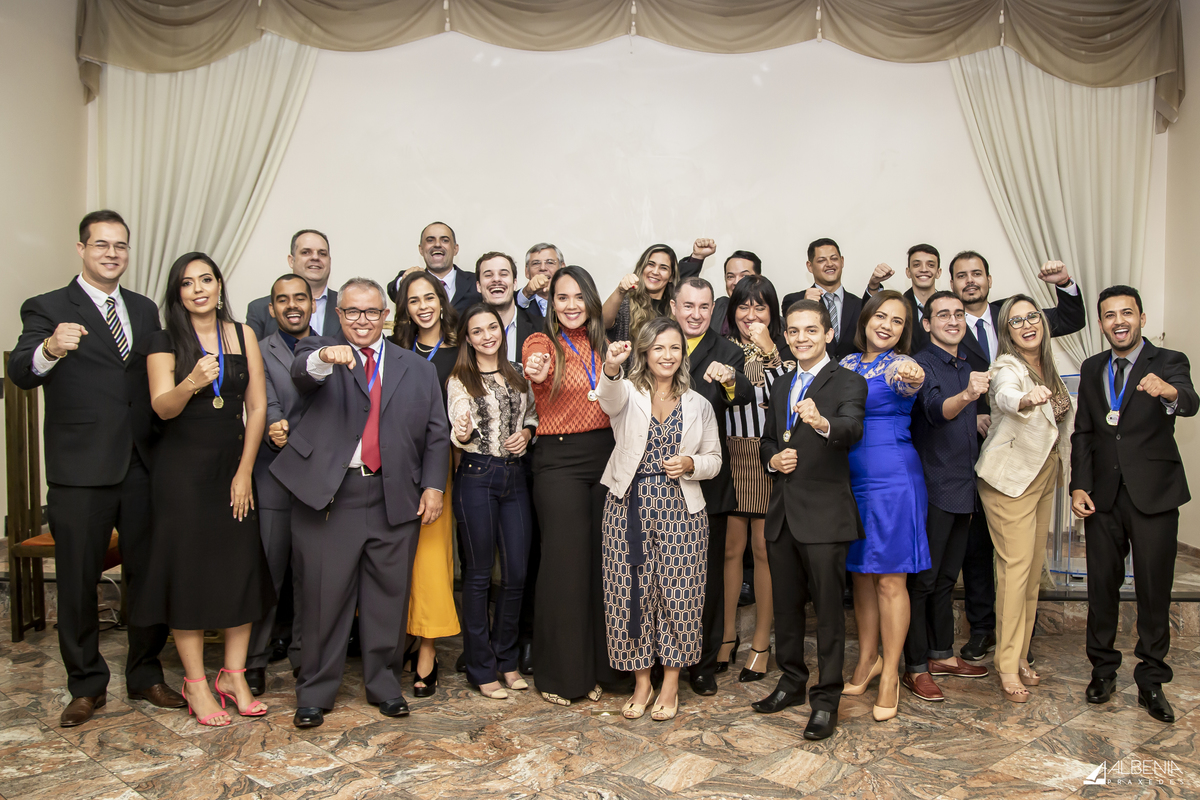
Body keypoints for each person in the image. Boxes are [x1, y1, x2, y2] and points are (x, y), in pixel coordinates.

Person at [8, 210, 184, 727]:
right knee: (78, 580)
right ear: (82, 249)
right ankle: (86, 685)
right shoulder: (47, 307)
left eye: (120, 245)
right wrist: (49, 348)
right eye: (101, 244)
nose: (112, 253)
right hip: (80, 468)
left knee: (148, 575)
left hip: (142, 463)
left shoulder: (144, 308)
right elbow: (20, 372)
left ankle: (145, 673)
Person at [270, 277, 450, 728]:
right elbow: (304, 371)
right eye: (351, 311)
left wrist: (433, 486)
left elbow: (436, 433)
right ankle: (314, 692)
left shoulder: (418, 368)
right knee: (323, 598)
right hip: (331, 497)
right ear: (338, 314)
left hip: (395, 496)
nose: (361, 320)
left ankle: (385, 685)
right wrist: (325, 357)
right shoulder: (320, 350)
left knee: (388, 599)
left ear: (386, 316)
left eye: (371, 312)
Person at [139, 252, 275, 728]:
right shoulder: (162, 340)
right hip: (181, 475)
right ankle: (196, 683)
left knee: (240, 568)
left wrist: (245, 471)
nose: (198, 289)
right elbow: (162, 408)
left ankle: (233, 676)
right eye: (187, 283)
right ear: (177, 293)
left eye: (206, 280)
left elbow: (258, 407)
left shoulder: (243, 334)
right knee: (189, 574)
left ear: (219, 285)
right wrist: (192, 382)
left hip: (232, 468)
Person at [949, 252, 1086, 662]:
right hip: (983, 455)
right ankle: (987, 634)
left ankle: (1020, 645)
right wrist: (1011, 403)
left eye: (977, 273)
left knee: (1025, 565)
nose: (970, 281)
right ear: (952, 283)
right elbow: (1005, 390)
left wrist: (1065, 285)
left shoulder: (1016, 318)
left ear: (989, 280)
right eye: (961, 275)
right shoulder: (953, 324)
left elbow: (1072, 317)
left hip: (1035, 463)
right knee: (982, 551)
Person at [1071, 285, 1197, 723]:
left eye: (1127, 313)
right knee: (1100, 589)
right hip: (1102, 497)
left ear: (1141, 318)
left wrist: (1168, 392)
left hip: (1154, 494)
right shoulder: (1092, 368)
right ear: (1101, 323)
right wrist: (1079, 486)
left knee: (1153, 590)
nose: (1118, 321)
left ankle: (1152, 680)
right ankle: (1102, 671)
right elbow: (1084, 432)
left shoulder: (1170, 361)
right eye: (1109, 315)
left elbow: (1190, 401)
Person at [597, 318, 722, 721]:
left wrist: (690, 463)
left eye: (675, 348)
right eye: (658, 348)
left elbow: (715, 460)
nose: (667, 356)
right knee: (629, 594)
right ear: (645, 353)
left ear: (683, 354)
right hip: (628, 507)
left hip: (682, 510)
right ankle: (641, 682)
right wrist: (611, 367)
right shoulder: (627, 392)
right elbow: (607, 398)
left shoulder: (699, 404)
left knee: (680, 595)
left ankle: (670, 683)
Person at [754, 299, 867, 742]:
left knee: (828, 614)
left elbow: (852, 430)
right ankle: (791, 681)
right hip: (783, 514)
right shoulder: (782, 383)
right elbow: (768, 439)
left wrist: (821, 422)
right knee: (786, 607)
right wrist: (772, 460)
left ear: (827, 334)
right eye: (794, 331)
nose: (802, 338)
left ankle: (826, 699)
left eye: (811, 330)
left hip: (824, 516)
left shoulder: (849, 380)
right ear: (786, 336)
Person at [521, 265, 621, 706]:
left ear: (592, 301)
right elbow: (535, 365)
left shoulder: (604, 345)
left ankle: (597, 670)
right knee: (565, 567)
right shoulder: (542, 342)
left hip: (606, 458)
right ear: (551, 303)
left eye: (579, 296)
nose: (572, 305)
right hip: (558, 462)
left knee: (601, 566)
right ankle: (560, 675)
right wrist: (537, 369)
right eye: (562, 297)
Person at [975, 294, 1074, 704]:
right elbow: (1004, 394)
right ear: (1007, 332)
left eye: (1032, 316)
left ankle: (1019, 655)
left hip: (1044, 474)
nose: (1027, 324)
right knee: (1014, 573)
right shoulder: (1008, 366)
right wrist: (1023, 400)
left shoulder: (1048, 365)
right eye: (1016, 321)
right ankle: (1006, 665)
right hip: (1009, 481)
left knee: (1032, 573)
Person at [839, 290, 930, 722]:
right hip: (849, 481)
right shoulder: (846, 363)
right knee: (861, 575)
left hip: (893, 480)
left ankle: (891, 672)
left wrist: (913, 374)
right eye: (880, 316)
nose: (887, 325)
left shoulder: (900, 365)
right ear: (865, 319)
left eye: (897, 321)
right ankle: (867, 658)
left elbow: (910, 379)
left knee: (891, 580)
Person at [447, 304, 537, 700]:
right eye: (478, 331)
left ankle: (507, 659)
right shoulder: (460, 379)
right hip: (476, 477)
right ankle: (481, 667)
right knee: (479, 575)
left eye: (492, 327)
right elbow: (458, 428)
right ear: (468, 339)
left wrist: (527, 434)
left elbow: (533, 415)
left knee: (516, 573)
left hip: (515, 478)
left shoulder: (517, 372)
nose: (487, 336)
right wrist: (463, 429)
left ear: (502, 330)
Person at [904, 292, 990, 702]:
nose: (953, 320)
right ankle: (915, 666)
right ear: (927, 323)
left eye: (958, 314)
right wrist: (970, 396)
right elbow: (937, 410)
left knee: (945, 580)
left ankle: (942, 655)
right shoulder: (920, 364)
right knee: (922, 581)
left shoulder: (966, 364)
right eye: (943, 314)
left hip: (963, 486)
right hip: (933, 486)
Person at [670, 277, 753, 696]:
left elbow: (743, 396)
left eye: (704, 307)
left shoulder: (726, 350)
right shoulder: (658, 342)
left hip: (707, 480)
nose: (696, 314)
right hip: (657, 478)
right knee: (663, 577)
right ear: (673, 307)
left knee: (706, 579)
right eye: (688, 305)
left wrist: (730, 380)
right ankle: (661, 658)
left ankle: (702, 664)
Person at [392, 271, 461, 697]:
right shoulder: (393, 350)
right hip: (396, 467)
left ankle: (428, 649)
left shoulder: (459, 351)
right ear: (405, 308)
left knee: (432, 561)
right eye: (414, 300)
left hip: (440, 467)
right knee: (396, 558)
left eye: (429, 297)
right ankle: (401, 634)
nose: (423, 306)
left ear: (441, 300)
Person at [720, 275, 792, 682]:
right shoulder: (721, 348)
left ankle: (761, 643)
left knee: (764, 551)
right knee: (731, 549)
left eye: (759, 306)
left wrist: (770, 351)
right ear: (733, 311)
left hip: (766, 456)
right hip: (730, 455)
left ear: (771, 312)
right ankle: (726, 636)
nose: (751, 314)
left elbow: (789, 396)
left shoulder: (785, 348)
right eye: (743, 306)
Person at [246, 273, 315, 695]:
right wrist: (275, 424)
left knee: (311, 577)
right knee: (268, 573)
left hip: (319, 479)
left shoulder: (331, 347)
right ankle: (253, 660)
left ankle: (305, 658)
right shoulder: (259, 349)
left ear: (312, 304)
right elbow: (266, 402)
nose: (292, 305)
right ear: (271, 308)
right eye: (283, 299)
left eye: (300, 298)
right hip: (273, 474)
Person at [479, 250, 545, 675]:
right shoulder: (470, 328)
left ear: (516, 281)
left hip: (532, 462)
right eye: (489, 275)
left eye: (504, 273)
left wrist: (531, 432)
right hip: (479, 467)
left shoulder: (537, 327)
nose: (497, 280)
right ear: (479, 284)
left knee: (526, 556)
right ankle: (484, 646)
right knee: (481, 564)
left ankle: (524, 639)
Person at [780, 238, 863, 362]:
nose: (829, 264)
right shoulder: (794, 300)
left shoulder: (859, 304)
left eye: (834, 258)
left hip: (851, 372)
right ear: (810, 266)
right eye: (821, 260)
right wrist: (806, 304)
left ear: (842, 261)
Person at [246, 230, 338, 339]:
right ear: (291, 260)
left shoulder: (347, 307)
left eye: (322, 253)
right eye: (306, 252)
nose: (315, 257)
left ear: (329, 261)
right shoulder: (259, 310)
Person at [678, 239, 774, 337]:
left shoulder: (774, 321)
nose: (736, 282)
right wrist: (697, 257)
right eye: (730, 276)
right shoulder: (718, 307)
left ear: (759, 278)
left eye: (744, 276)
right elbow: (685, 292)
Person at [862, 244, 943, 353]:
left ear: (938, 272)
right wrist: (873, 285)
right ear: (908, 272)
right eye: (917, 265)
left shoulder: (950, 306)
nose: (924, 269)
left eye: (930, 265)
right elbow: (867, 319)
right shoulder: (899, 306)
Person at [387, 221, 482, 315]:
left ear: (455, 249)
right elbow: (393, 291)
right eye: (430, 240)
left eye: (445, 240)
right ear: (421, 249)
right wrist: (405, 281)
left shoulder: (476, 281)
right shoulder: (412, 280)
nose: (437, 244)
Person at [602, 244, 679, 343]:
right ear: (642, 268)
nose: (655, 272)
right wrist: (620, 291)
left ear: (671, 276)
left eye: (663, 268)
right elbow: (602, 323)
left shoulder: (674, 309)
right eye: (651, 264)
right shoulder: (626, 303)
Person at [516, 243, 564, 330]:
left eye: (550, 262)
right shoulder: (516, 303)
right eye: (536, 263)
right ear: (527, 271)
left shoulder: (574, 301)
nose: (542, 268)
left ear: (562, 268)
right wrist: (527, 292)